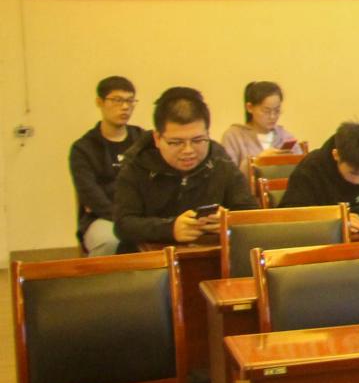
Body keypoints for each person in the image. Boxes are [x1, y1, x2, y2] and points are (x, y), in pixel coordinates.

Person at [112, 86, 256, 251]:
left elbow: (251, 213)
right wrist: (169, 228)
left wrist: (228, 220)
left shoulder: (220, 160)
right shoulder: (137, 165)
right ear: (157, 138)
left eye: (198, 140)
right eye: (176, 142)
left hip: (209, 255)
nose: (188, 150)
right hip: (150, 259)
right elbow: (123, 225)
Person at [70, 76, 148, 257]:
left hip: (142, 215)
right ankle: (98, 277)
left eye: (130, 101)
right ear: (100, 102)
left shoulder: (143, 140)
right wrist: (126, 220)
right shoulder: (84, 148)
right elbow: (91, 196)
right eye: (117, 100)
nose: (125, 107)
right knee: (108, 240)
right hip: (103, 218)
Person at [281, 122, 359, 232]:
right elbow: (291, 213)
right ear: (336, 155)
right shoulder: (312, 167)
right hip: (325, 236)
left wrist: (354, 215)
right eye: (353, 173)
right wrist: (337, 218)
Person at [219, 80, 299, 168]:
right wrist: (258, 160)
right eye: (266, 111)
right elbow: (228, 174)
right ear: (249, 107)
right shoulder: (233, 136)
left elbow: (301, 169)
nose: (272, 116)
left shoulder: (285, 137)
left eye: (277, 110)